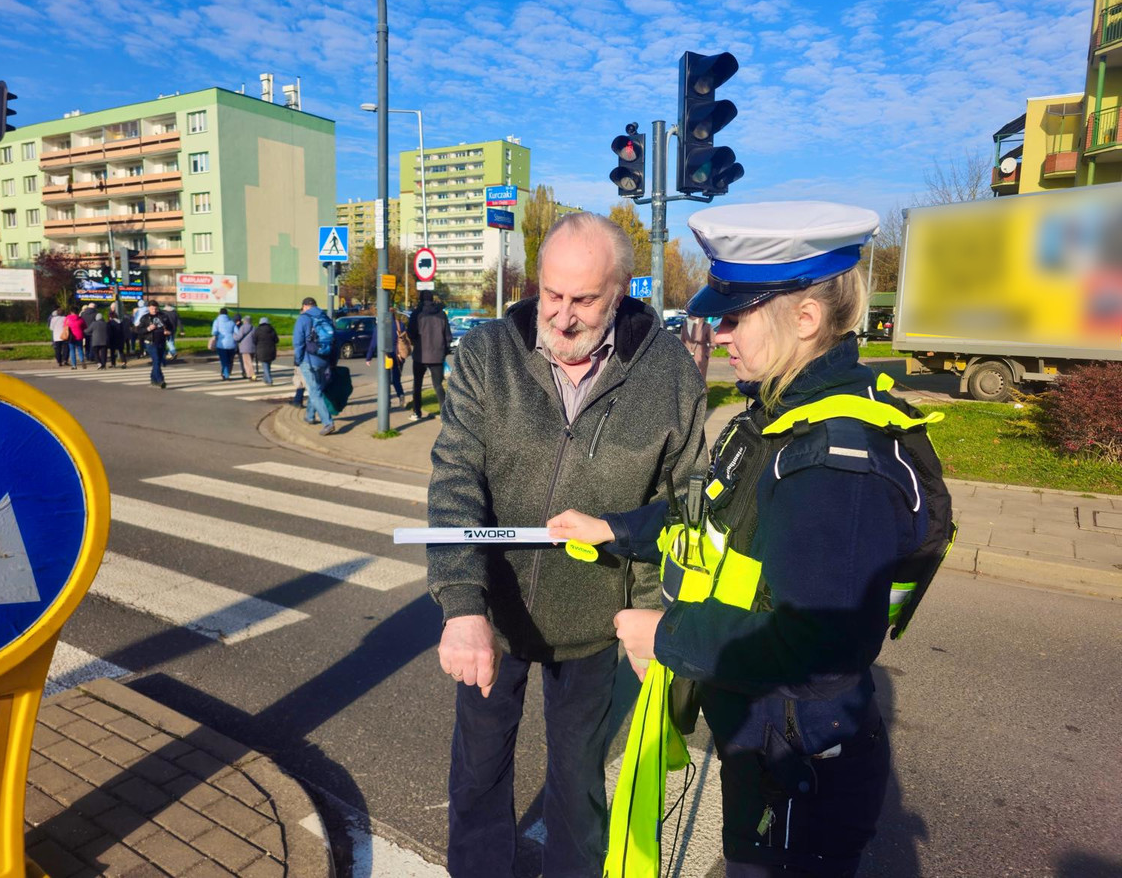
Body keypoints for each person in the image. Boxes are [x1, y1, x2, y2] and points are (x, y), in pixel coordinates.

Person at [549, 202, 949, 878]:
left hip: (800, 772)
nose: (719, 332)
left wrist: (668, 634)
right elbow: (707, 520)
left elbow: (823, 649)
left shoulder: (832, 461)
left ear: (805, 318)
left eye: (736, 317)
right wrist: (614, 528)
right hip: (767, 740)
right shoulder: (775, 417)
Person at [427, 212, 708, 878]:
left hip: (595, 621)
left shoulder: (668, 372)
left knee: (578, 788)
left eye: (584, 299)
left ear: (621, 291)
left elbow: (685, 500)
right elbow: (455, 479)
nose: (562, 315)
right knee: (477, 775)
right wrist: (462, 605)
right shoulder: (488, 354)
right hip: (494, 617)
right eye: (551, 293)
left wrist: (652, 609)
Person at [292, 297, 336, 436]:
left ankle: (328, 423)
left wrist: (298, 360)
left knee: (314, 392)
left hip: (309, 360)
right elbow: (335, 340)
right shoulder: (325, 318)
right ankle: (310, 416)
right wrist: (332, 361)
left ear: (305, 306)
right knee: (317, 389)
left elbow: (298, 341)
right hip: (324, 360)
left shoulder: (303, 318)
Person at [407, 289, 452, 421]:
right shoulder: (441, 314)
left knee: (417, 385)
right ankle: (445, 416)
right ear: (432, 299)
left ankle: (417, 412)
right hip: (437, 355)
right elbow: (448, 336)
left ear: (421, 299)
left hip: (420, 355)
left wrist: (416, 342)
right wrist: (444, 351)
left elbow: (411, 333)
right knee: (438, 386)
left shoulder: (417, 313)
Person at [365, 311, 406, 408]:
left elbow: (373, 343)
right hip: (398, 355)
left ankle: (387, 401)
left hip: (386, 356)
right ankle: (400, 394)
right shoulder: (400, 325)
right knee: (396, 379)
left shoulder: (380, 326)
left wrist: (369, 357)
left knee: (385, 379)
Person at [137, 300, 174, 388]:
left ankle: (153, 379)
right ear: (148, 308)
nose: (154, 310)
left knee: (158, 362)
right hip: (150, 342)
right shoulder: (145, 318)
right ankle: (160, 380)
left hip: (161, 342)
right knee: (156, 360)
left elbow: (171, 327)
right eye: (152, 308)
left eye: (156, 308)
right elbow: (139, 330)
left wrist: (168, 332)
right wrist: (148, 328)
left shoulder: (163, 316)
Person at [680, 313, 714, 382]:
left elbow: (713, 341)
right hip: (687, 356)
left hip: (701, 356)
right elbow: (682, 341)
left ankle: (701, 389)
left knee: (700, 378)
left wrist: (707, 354)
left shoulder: (706, 326)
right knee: (687, 377)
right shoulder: (685, 325)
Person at [211, 307, 238, 379]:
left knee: (224, 360)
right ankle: (224, 373)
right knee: (229, 360)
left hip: (221, 344)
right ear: (227, 314)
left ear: (219, 313)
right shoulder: (232, 322)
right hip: (231, 344)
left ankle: (226, 375)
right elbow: (237, 332)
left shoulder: (216, 321)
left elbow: (214, 332)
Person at [253, 317, 279, 385]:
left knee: (265, 366)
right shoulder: (272, 329)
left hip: (261, 350)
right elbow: (276, 340)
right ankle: (265, 378)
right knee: (268, 366)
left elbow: (254, 340)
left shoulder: (257, 330)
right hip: (271, 350)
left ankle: (269, 380)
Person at [235, 315, 257, 380]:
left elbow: (238, 338)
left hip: (244, 348)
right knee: (250, 362)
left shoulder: (242, 327)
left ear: (245, 321)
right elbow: (256, 338)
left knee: (247, 362)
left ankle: (252, 375)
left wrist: (233, 335)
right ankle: (249, 374)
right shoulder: (254, 328)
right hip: (252, 347)